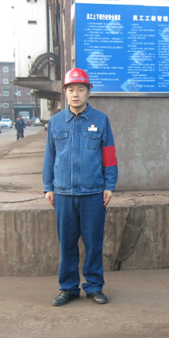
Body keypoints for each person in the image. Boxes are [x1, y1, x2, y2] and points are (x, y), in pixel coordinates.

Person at [42, 68, 118, 306]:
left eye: (80, 89)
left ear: (88, 92)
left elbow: (109, 155)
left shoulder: (101, 120)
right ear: (65, 93)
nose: (75, 94)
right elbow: (49, 157)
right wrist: (48, 187)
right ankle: (68, 288)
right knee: (67, 244)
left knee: (94, 243)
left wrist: (109, 185)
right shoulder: (56, 122)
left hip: (93, 193)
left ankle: (94, 286)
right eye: (71, 90)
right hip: (63, 194)